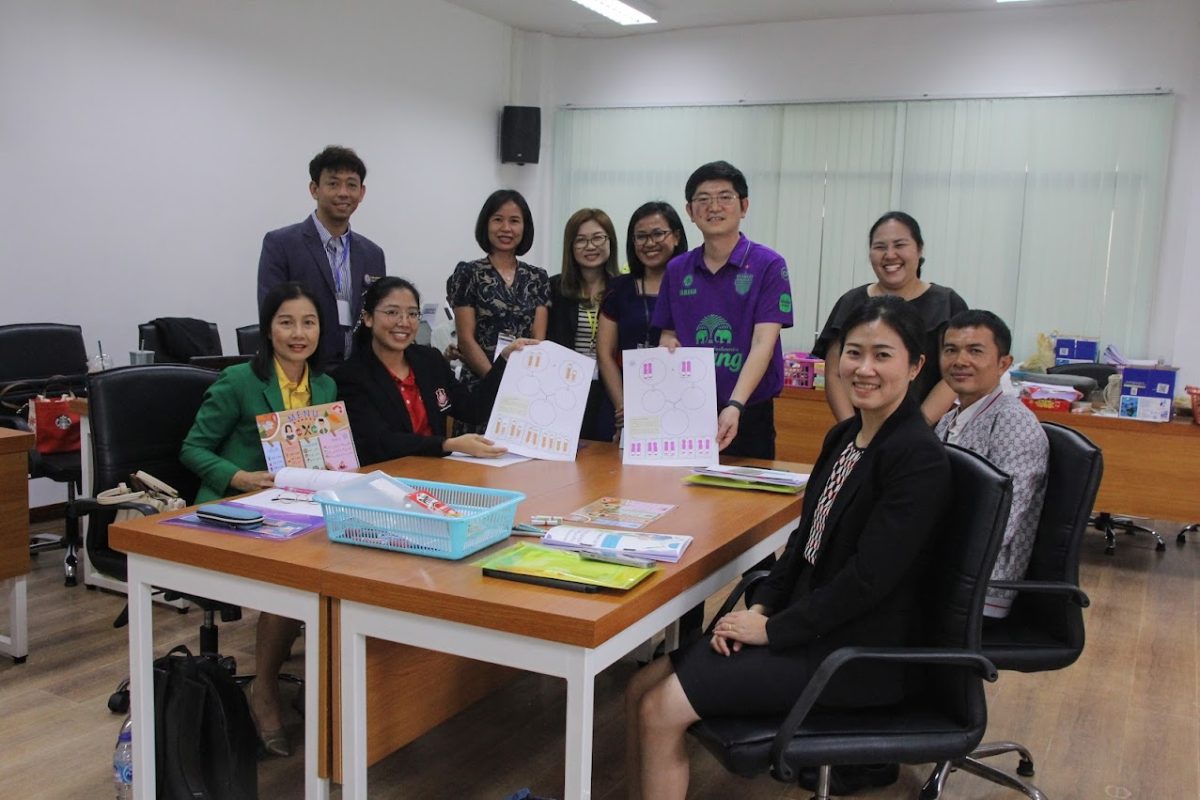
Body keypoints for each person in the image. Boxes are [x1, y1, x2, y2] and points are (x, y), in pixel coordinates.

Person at [625, 296, 951, 800]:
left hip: (855, 654)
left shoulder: (917, 457)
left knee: (658, 707)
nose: (863, 369)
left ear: (916, 366)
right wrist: (760, 606)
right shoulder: (845, 436)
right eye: (853, 352)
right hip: (806, 625)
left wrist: (772, 630)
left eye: (883, 355)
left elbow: (867, 582)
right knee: (640, 686)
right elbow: (805, 543)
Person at [180, 281, 334, 758]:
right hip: (240, 511)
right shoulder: (239, 382)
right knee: (295, 580)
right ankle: (264, 690)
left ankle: (333, 692)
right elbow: (192, 449)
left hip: (300, 510)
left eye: (308, 322)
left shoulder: (325, 385)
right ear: (268, 330)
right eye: (286, 322)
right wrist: (240, 476)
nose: (298, 332)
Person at [652, 160, 793, 458]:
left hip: (748, 411)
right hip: (687, 408)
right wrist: (667, 344)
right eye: (703, 199)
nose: (713, 207)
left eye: (725, 197)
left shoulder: (769, 265)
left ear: (743, 206)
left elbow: (763, 344)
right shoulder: (677, 269)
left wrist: (735, 405)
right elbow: (668, 332)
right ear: (690, 212)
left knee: (749, 499)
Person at [333, 276, 536, 462]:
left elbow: (473, 410)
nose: (404, 322)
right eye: (392, 312)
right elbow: (378, 442)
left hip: (437, 472)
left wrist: (504, 360)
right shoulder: (351, 376)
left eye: (412, 314)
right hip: (387, 478)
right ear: (368, 318)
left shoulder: (429, 360)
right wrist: (447, 444)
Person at [936, 309, 1048, 619]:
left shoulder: (1013, 424)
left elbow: (999, 525)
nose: (960, 360)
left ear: (1003, 364)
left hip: (979, 586)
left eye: (975, 351)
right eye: (951, 350)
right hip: (943, 565)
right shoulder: (949, 419)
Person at [813, 210, 967, 425]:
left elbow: (952, 376)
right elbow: (834, 374)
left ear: (919, 249)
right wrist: (850, 431)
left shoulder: (947, 303)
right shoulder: (851, 302)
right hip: (859, 432)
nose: (890, 254)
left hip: (925, 432)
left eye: (900, 245)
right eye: (880, 247)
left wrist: (915, 428)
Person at [257, 145, 386, 363]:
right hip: (304, 371)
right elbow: (271, 313)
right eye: (333, 184)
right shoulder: (280, 244)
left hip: (359, 373)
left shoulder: (373, 253)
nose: (343, 193)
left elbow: (377, 315)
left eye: (351, 185)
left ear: (361, 193)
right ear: (314, 189)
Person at [446, 189, 550, 435]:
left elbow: (539, 339)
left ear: (525, 227)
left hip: (524, 391)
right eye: (498, 219)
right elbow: (466, 339)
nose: (506, 228)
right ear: (486, 224)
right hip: (479, 389)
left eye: (514, 221)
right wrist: (498, 381)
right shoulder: (468, 273)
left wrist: (519, 386)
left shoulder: (538, 277)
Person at [596, 202, 688, 440]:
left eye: (658, 234)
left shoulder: (692, 286)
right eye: (641, 236)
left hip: (679, 405)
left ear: (676, 237)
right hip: (621, 406)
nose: (649, 243)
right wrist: (624, 407)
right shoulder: (619, 288)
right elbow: (605, 353)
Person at [548, 208, 621, 441]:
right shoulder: (554, 289)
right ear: (570, 247)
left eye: (598, 237)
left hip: (610, 391)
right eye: (580, 240)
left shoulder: (623, 290)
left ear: (611, 241)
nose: (590, 246)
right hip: (565, 391)